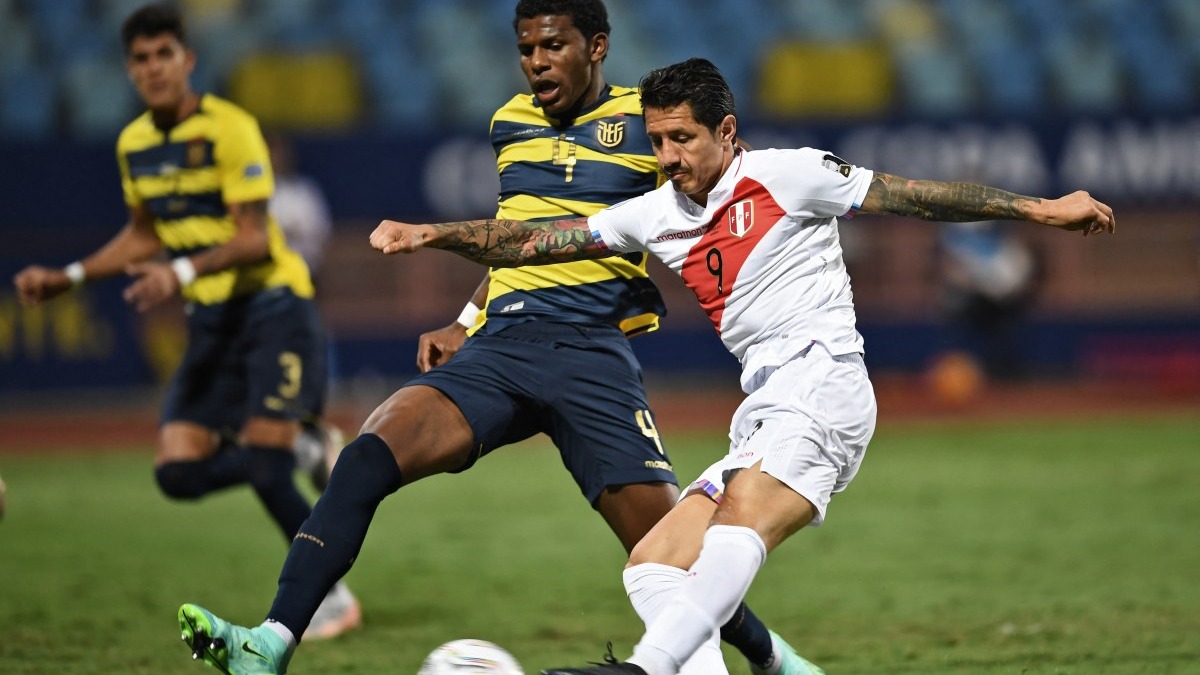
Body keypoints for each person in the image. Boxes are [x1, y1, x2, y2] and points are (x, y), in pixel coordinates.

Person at [366, 58, 1116, 675]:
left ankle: (642, 671)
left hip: (823, 384)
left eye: (684, 139)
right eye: (658, 140)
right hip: (763, 405)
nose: (668, 158)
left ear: (726, 132)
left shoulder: (791, 174)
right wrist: (432, 233)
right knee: (654, 565)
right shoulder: (655, 211)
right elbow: (534, 243)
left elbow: (916, 197)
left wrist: (1043, 209)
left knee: (735, 532)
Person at [174, 4, 797, 675]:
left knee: (670, 549)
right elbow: (517, 236)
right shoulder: (510, 124)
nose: (537, 62)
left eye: (553, 46)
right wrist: (464, 322)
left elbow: (727, 172)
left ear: (597, 47)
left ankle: (775, 659)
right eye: (526, 48)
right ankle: (268, 642)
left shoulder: (646, 123)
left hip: (591, 355)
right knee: (365, 455)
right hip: (499, 346)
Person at [11, 3, 358, 641]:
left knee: (262, 464)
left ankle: (331, 597)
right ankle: (309, 447)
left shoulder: (231, 129)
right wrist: (74, 275)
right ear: (129, 68)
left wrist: (181, 273)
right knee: (176, 472)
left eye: (163, 54)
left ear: (187, 60)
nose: (153, 68)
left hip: (274, 308)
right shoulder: (134, 144)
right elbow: (143, 235)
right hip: (212, 321)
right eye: (140, 59)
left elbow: (254, 239)